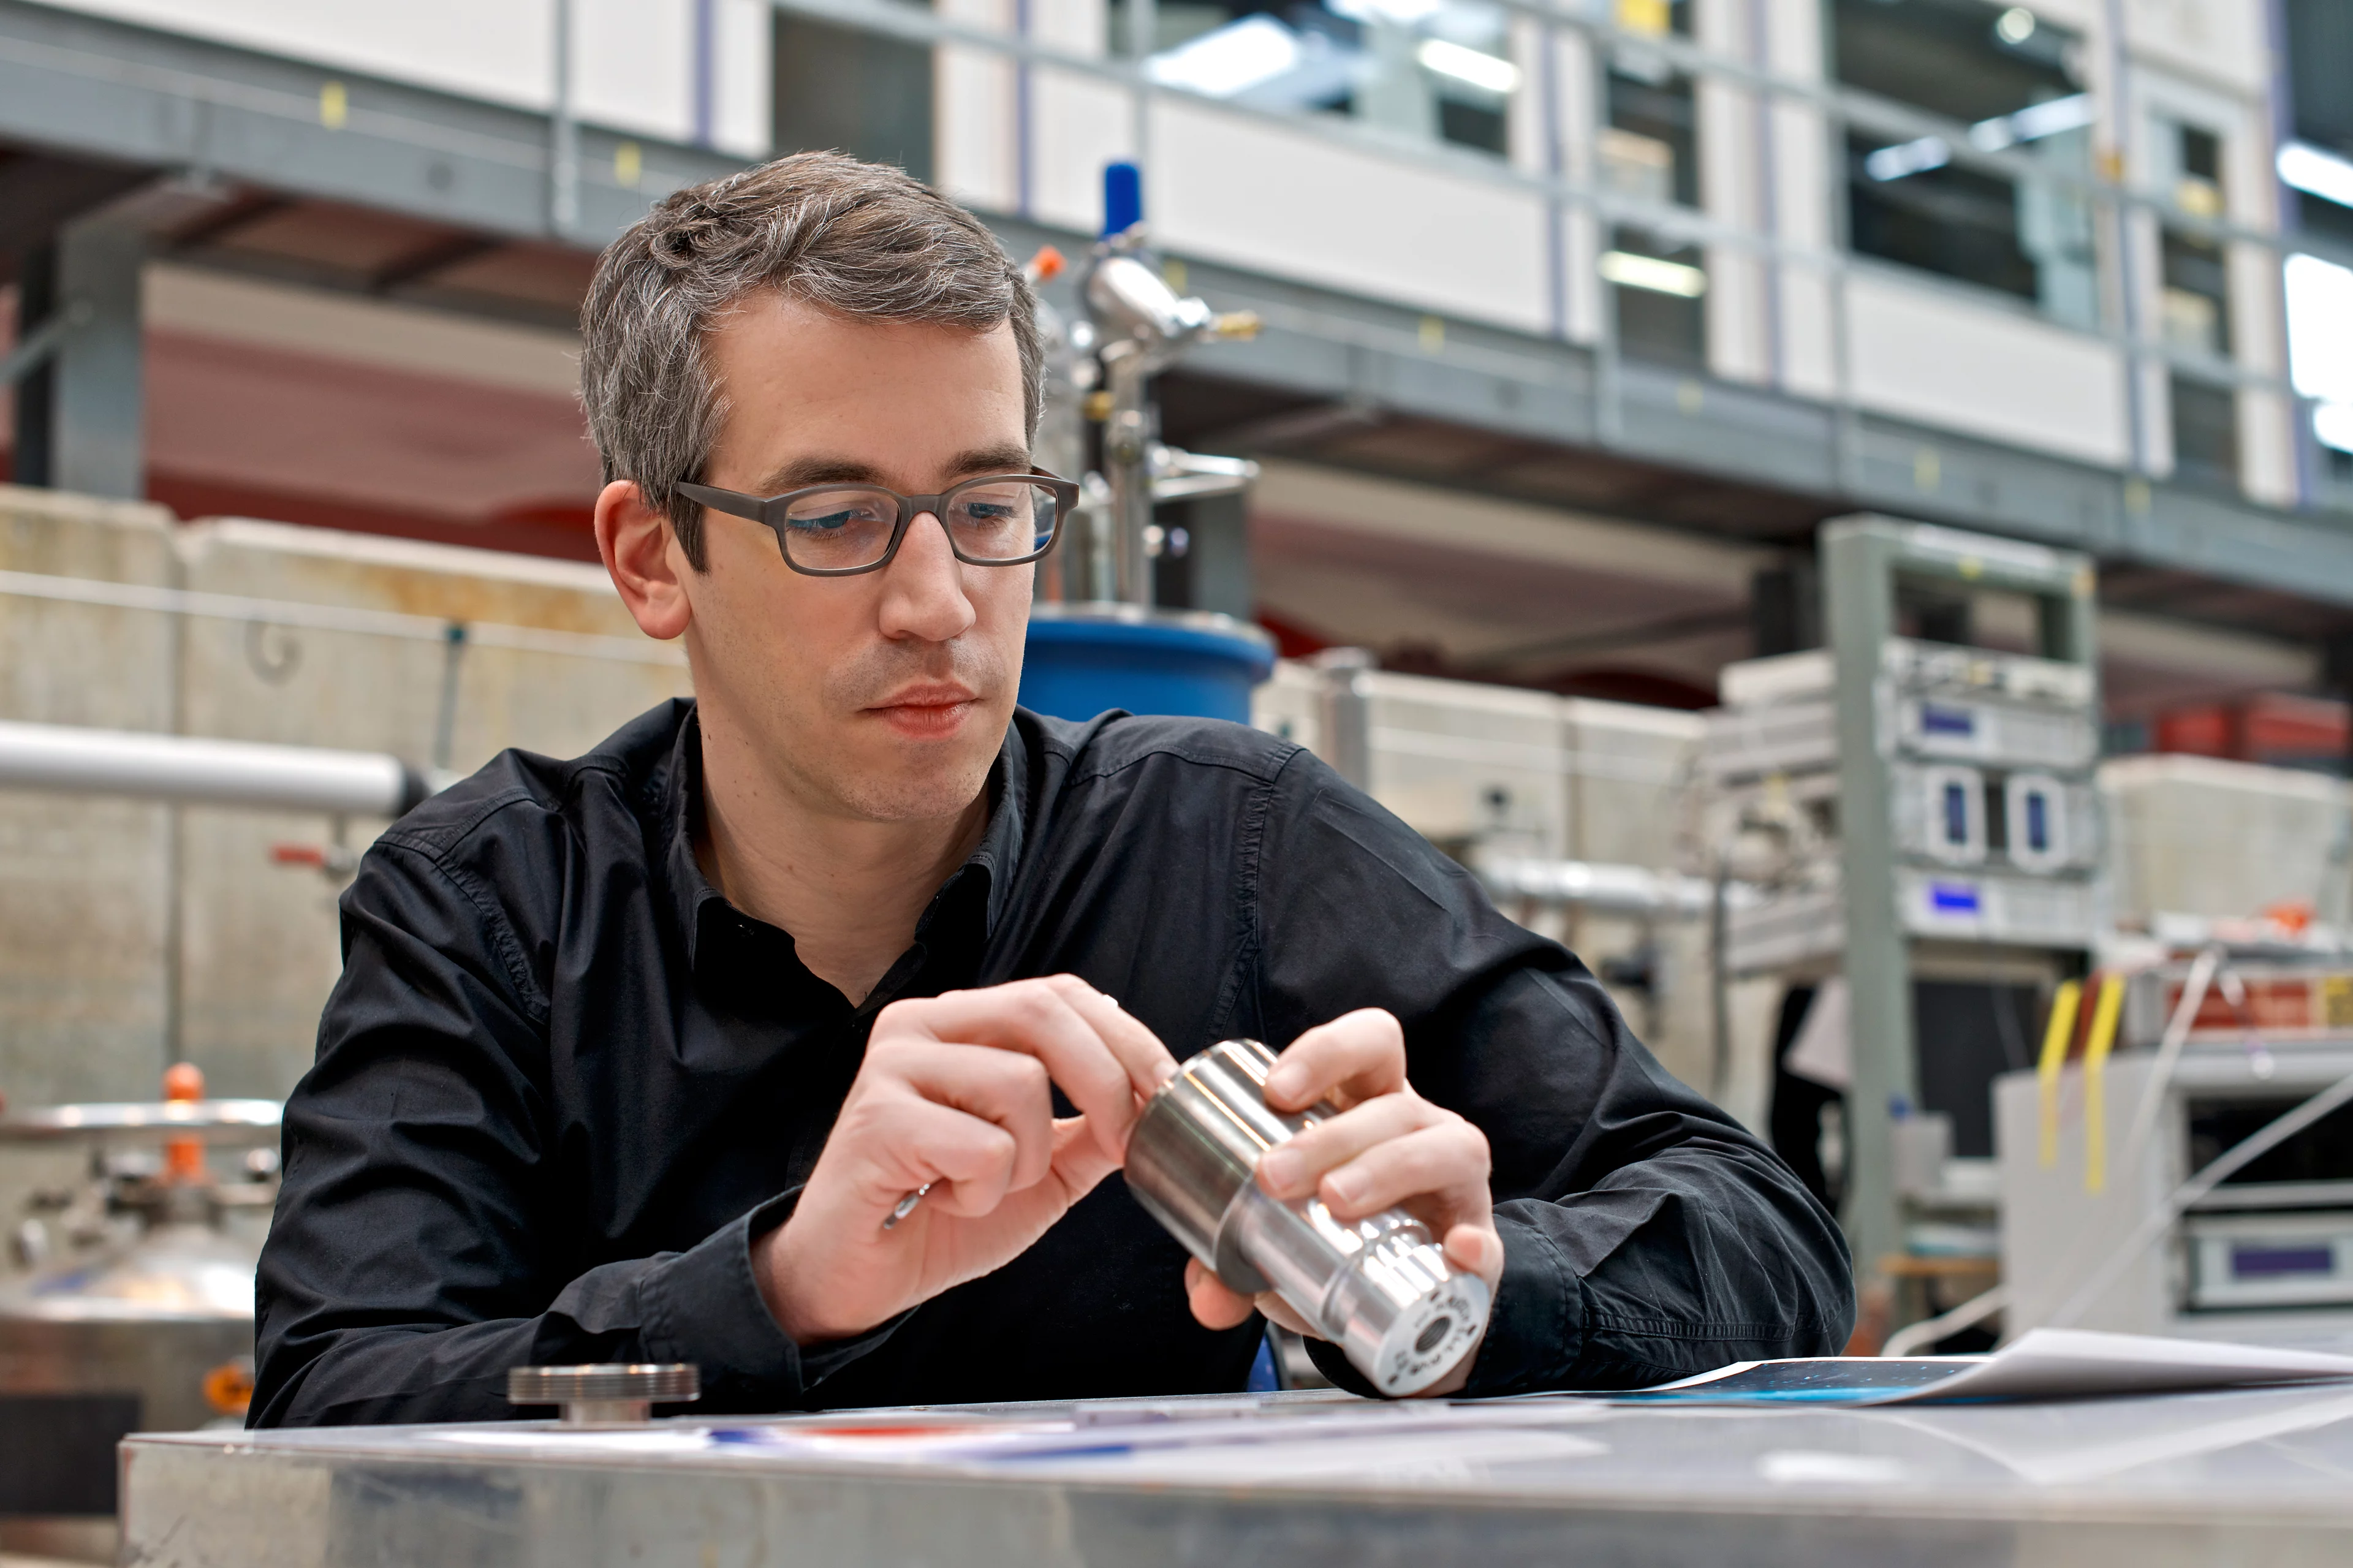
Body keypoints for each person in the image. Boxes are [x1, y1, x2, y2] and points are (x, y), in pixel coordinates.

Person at [251, 153, 1851, 1426]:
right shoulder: (489, 909)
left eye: (990, 502)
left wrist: (1476, 1280)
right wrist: (790, 1288)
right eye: (834, 515)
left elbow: (1770, 1232)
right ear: (653, 556)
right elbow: (334, 1403)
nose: (940, 601)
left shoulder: (1236, 847)